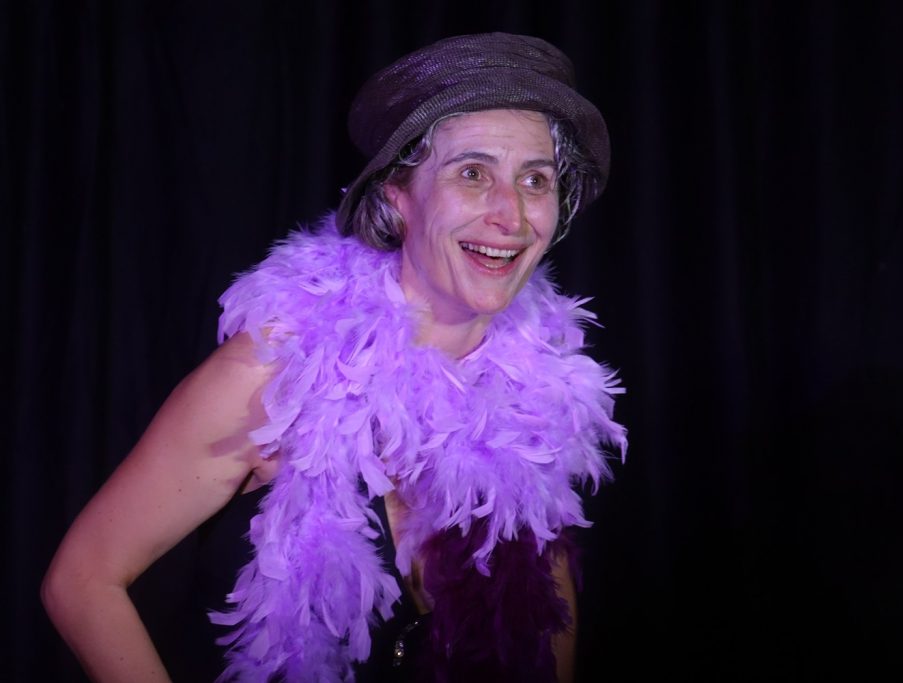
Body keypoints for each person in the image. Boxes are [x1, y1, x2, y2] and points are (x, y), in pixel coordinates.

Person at [42, 31, 627, 683]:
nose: (511, 215)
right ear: (398, 194)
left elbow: (544, 619)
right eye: (472, 173)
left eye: (535, 180)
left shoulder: (542, 391)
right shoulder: (273, 372)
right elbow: (83, 579)